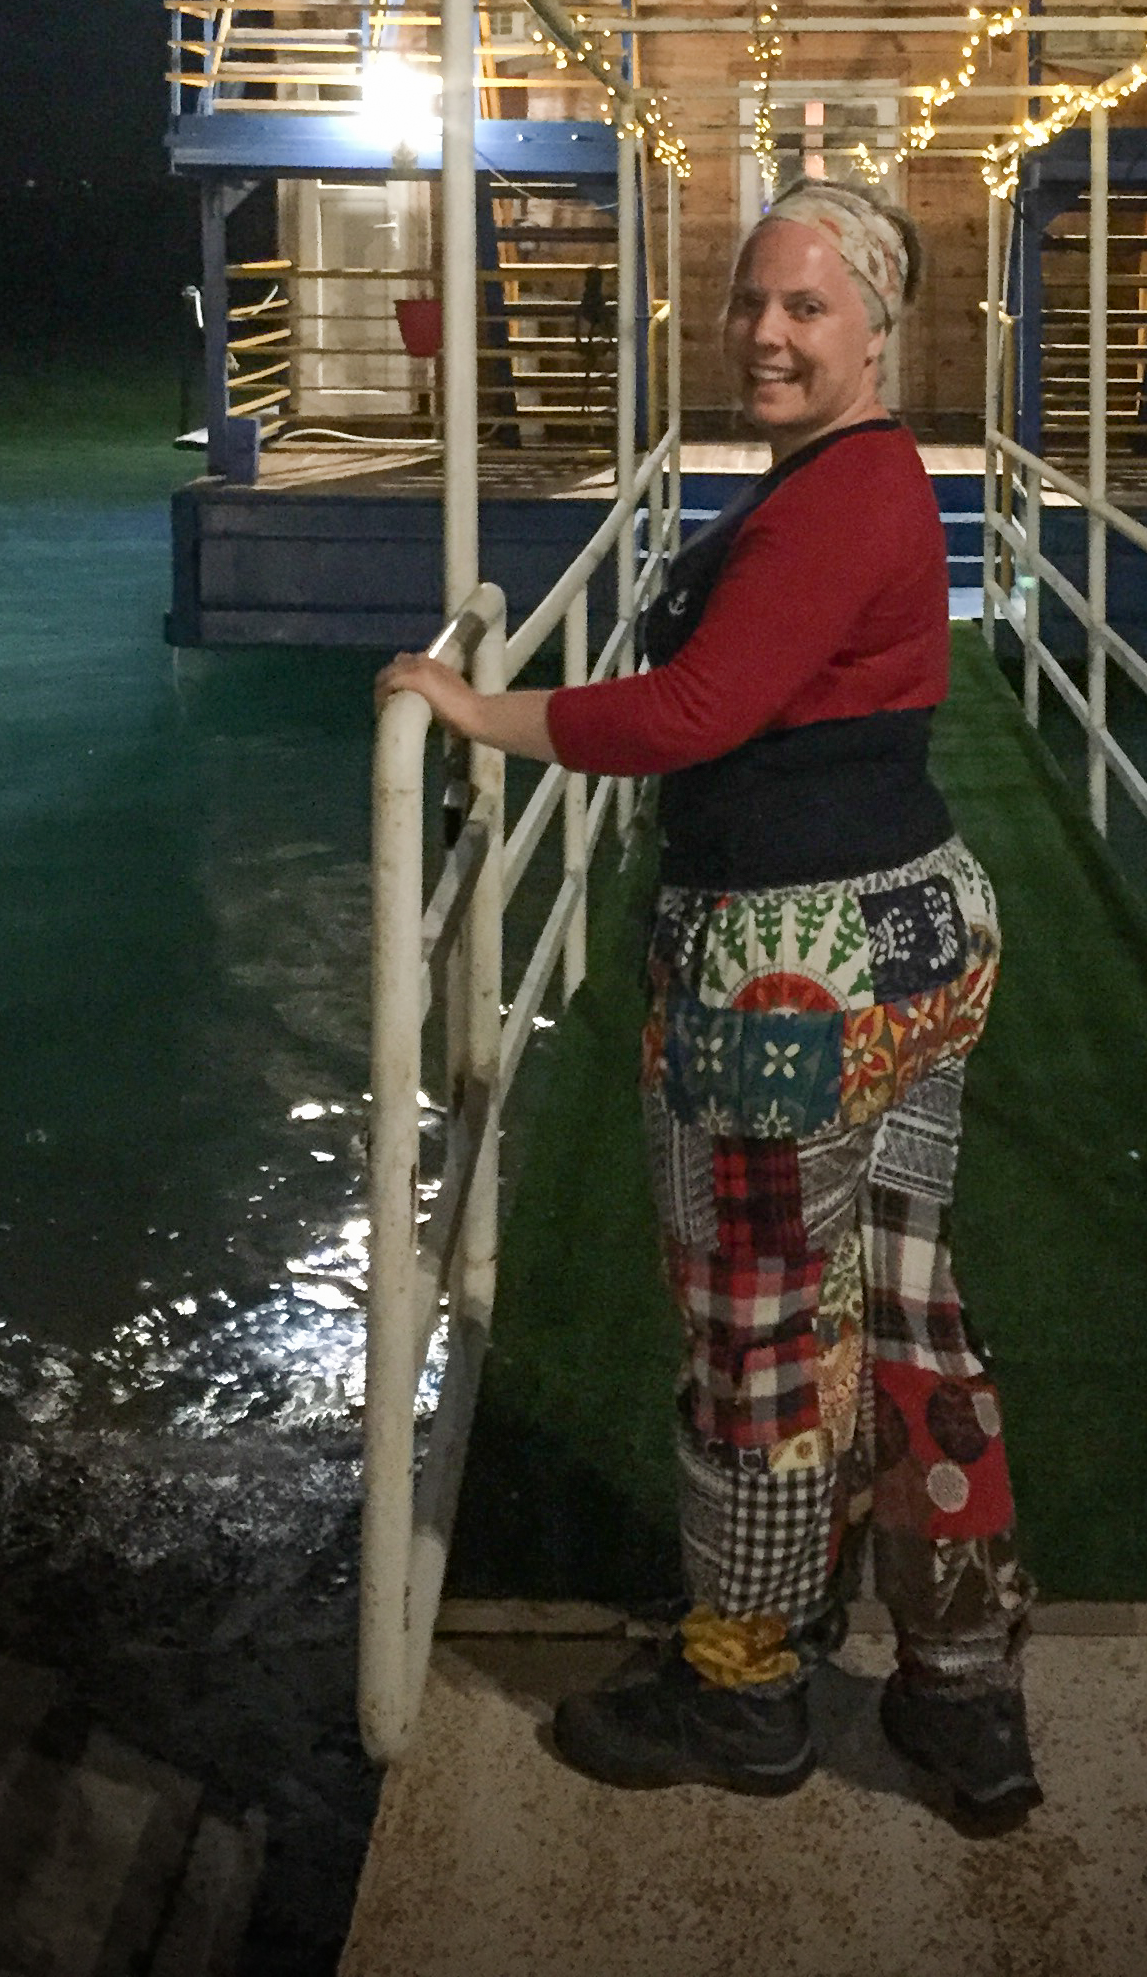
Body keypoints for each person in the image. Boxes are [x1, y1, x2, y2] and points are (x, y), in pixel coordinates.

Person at [377, 179, 1040, 1828]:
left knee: (756, 1339)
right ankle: (961, 1697)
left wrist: (476, 710)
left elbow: (693, 710)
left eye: (808, 307)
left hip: (789, 974)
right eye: (752, 300)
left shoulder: (835, 499)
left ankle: (746, 1687)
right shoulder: (865, 481)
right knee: (898, 1311)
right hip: (911, 935)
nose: (766, 331)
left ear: (881, 331)